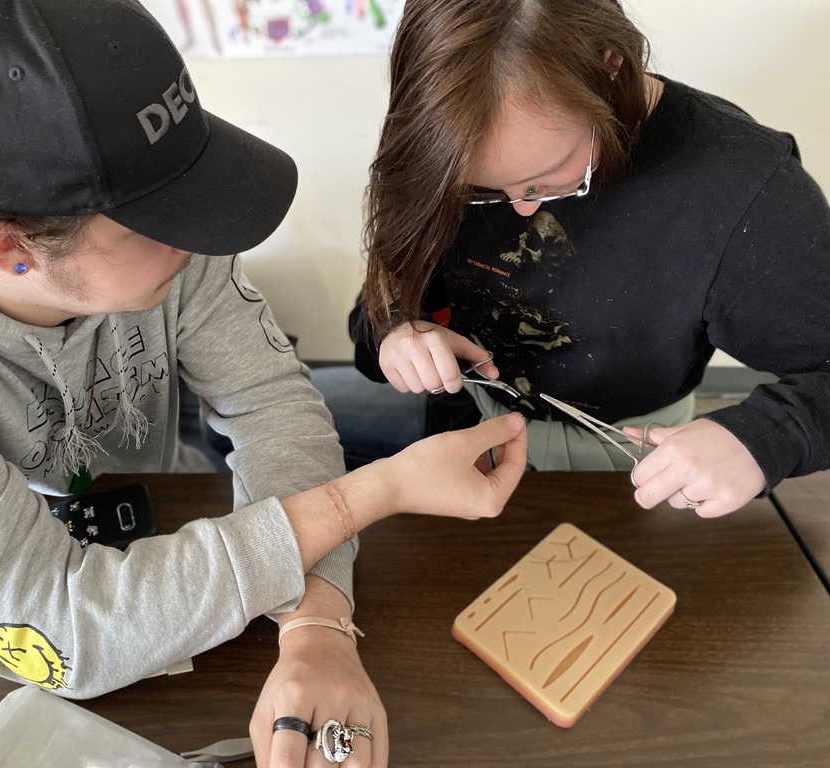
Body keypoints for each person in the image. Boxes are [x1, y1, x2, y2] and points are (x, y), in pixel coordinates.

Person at [0, 1, 529, 767]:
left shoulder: (154, 217)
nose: (207, 233)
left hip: (167, 508)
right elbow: (55, 631)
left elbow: (272, 404)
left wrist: (319, 622)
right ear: (11, 249)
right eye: (161, 220)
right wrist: (371, 494)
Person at [351, 0, 830, 520]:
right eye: (482, 188)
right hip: (467, 437)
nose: (523, 208)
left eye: (550, 176)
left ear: (610, 65)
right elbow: (378, 311)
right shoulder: (442, 150)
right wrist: (397, 335)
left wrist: (763, 437)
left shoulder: (744, 190)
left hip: (638, 465)